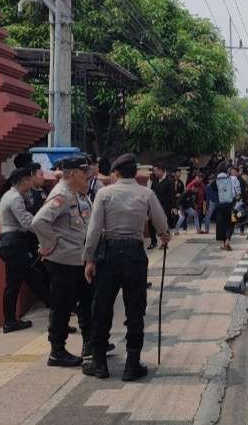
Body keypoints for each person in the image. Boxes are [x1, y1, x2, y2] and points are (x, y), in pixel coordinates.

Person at [82, 154, 170, 381]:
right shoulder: (146, 193)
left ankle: (99, 363)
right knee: (135, 308)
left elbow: (93, 231)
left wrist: (89, 259)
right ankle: (132, 365)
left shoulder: (104, 193)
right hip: (135, 254)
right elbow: (160, 221)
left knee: (102, 307)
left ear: (116, 173)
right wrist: (164, 235)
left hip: (109, 253)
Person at [32, 156, 94, 368]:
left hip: (78, 260)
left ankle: (89, 344)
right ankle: (57, 351)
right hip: (63, 261)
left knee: (86, 303)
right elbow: (39, 222)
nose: (87, 175)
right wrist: (51, 244)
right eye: (84, 171)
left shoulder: (76, 194)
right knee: (62, 306)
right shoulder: (61, 194)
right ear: (74, 173)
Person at [0, 167, 48, 333]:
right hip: (15, 243)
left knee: (13, 284)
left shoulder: (7, 196)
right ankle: (58, 311)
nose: (31, 183)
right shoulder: (15, 198)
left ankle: (10, 321)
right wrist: (45, 230)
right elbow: (27, 222)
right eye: (29, 180)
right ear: (24, 181)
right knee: (36, 278)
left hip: (8, 243)